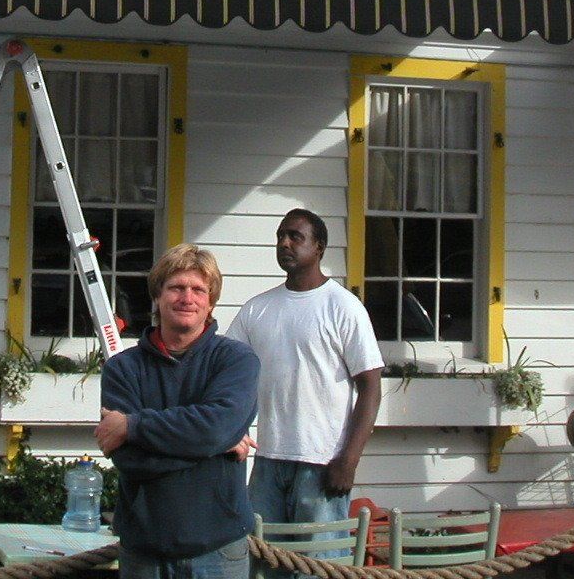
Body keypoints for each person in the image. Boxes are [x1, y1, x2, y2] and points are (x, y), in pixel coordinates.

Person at [96, 244, 260, 579]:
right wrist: (215, 447)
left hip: (218, 552)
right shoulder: (121, 369)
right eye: (176, 287)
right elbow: (129, 459)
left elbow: (215, 429)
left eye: (199, 289)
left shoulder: (237, 361)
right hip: (144, 552)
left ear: (210, 302)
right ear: (157, 296)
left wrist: (132, 427)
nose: (188, 298)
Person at [228, 208, 383, 543]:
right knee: (266, 564)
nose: (285, 243)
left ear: (319, 248)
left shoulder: (344, 307)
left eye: (295, 236)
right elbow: (226, 371)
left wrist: (349, 460)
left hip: (324, 463)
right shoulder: (257, 309)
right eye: (280, 236)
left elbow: (370, 387)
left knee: (320, 568)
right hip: (268, 460)